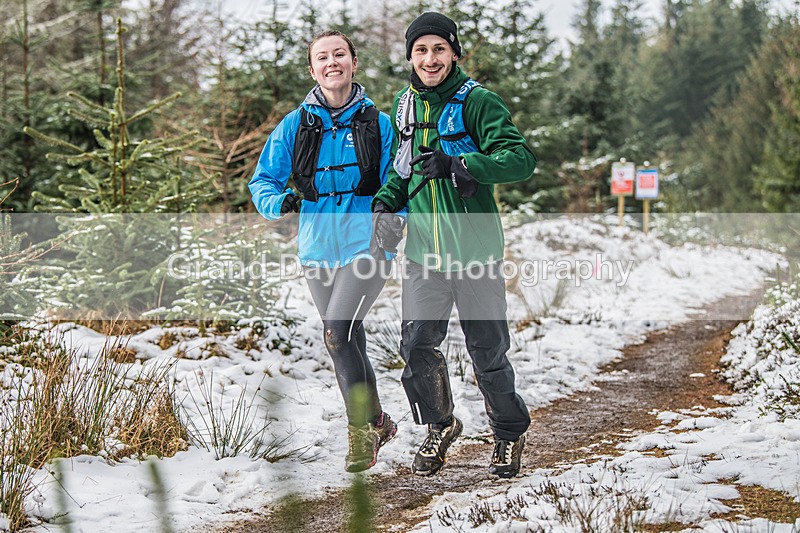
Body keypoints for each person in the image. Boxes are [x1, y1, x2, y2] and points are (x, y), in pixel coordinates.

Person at [371, 12, 535, 478]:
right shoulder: (405, 104)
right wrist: (385, 207)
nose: (429, 58)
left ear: (454, 53)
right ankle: (441, 424)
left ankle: (508, 432)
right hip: (424, 254)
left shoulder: (478, 102)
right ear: (410, 57)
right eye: (420, 50)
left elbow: (520, 159)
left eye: (438, 49)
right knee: (417, 344)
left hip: (476, 254)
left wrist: (461, 163)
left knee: (487, 349)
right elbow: (401, 169)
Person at [249, 30, 403, 473]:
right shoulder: (295, 125)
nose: (332, 62)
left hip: (366, 245)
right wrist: (281, 202)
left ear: (354, 62)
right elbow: (263, 181)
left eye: (340, 54)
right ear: (312, 69)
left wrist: (392, 225)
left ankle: (360, 435)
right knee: (349, 337)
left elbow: (401, 182)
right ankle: (377, 421)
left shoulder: (379, 123)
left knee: (336, 333)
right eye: (322, 57)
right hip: (317, 249)